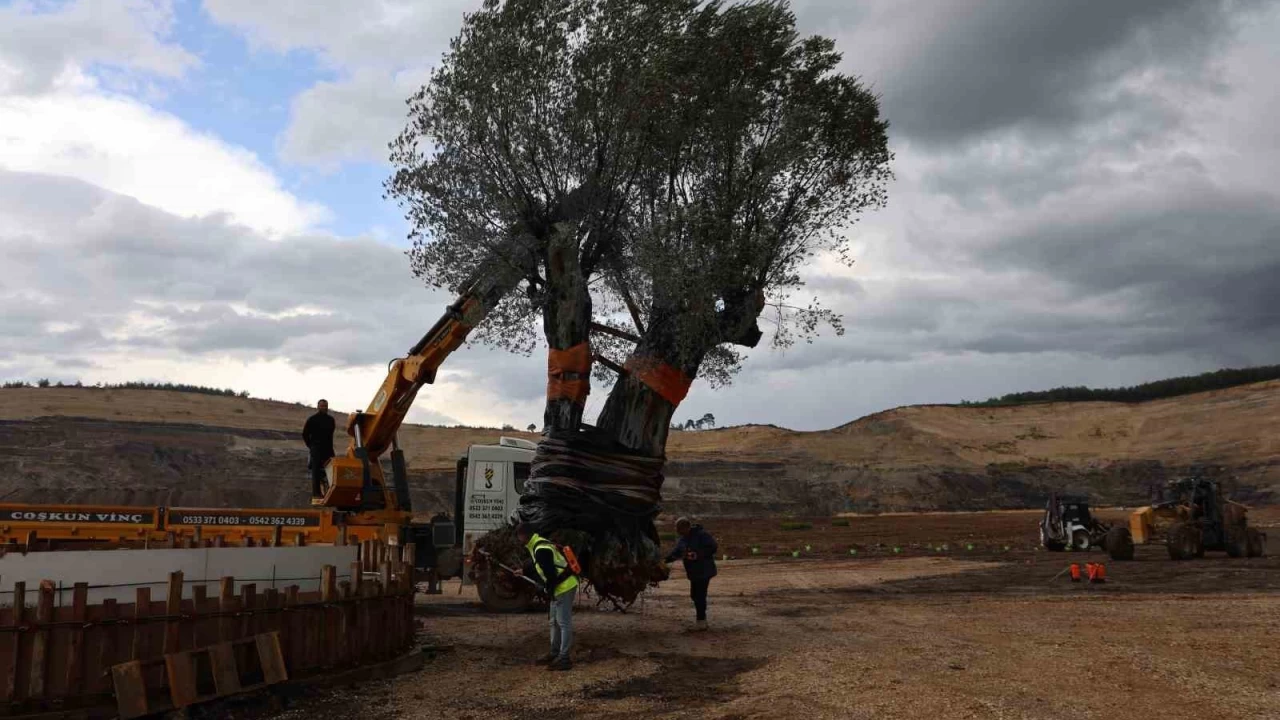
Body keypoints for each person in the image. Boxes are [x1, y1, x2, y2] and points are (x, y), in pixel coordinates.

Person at [514, 522, 579, 671]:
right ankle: (554, 653)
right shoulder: (537, 544)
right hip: (558, 587)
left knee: (563, 622)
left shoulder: (541, 549)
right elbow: (538, 563)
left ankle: (564, 658)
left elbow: (551, 575)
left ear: (523, 535)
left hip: (565, 586)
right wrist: (523, 571)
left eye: (518, 536)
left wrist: (546, 588)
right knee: (553, 622)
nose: (518, 539)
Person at [664, 517, 717, 630]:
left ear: (686, 527)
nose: (677, 531)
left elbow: (713, 547)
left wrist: (697, 554)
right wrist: (664, 561)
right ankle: (702, 620)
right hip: (693, 572)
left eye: (679, 529)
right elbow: (676, 553)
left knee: (699, 595)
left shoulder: (702, 535)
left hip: (704, 570)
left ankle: (701, 622)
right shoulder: (683, 539)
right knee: (694, 595)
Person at [301, 399, 336, 498]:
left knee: (331, 470)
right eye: (322, 406)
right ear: (318, 407)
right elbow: (305, 434)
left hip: (328, 449)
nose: (324, 408)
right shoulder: (312, 419)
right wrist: (311, 446)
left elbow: (330, 435)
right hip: (316, 449)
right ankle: (317, 493)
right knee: (316, 471)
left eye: (326, 406)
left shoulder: (331, 420)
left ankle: (330, 492)